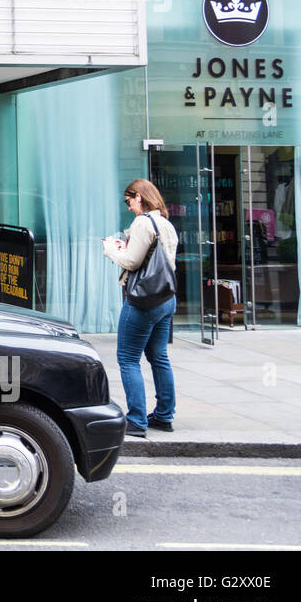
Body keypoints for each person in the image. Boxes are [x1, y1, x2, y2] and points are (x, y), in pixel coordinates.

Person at [103, 178, 179, 437]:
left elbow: (133, 262)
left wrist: (110, 250)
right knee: (159, 357)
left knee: (127, 359)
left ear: (140, 196)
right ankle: (164, 415)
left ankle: (136, 420)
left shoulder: (143, 223)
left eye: (129, 201)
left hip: (143, 301)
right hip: (166, 299)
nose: (128, 207)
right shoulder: (166, 224)